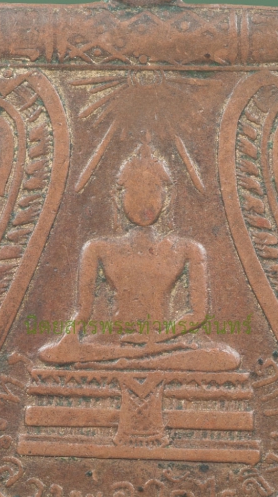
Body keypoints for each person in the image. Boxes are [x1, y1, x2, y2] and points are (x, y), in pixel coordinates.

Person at [39, 142, 240, 371]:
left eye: (153, 190)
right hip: (114, 341)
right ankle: (134, 359)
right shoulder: (97, 248)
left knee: (227, 357)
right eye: (134, 191)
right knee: (53, 354)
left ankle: (129, 360)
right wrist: (68, 341)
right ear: (118, 197)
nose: (144, 200)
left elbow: (198, 314)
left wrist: (156, 339)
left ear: (167, 196)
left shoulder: (189, 249)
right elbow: (84, 311)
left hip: (163, 341)